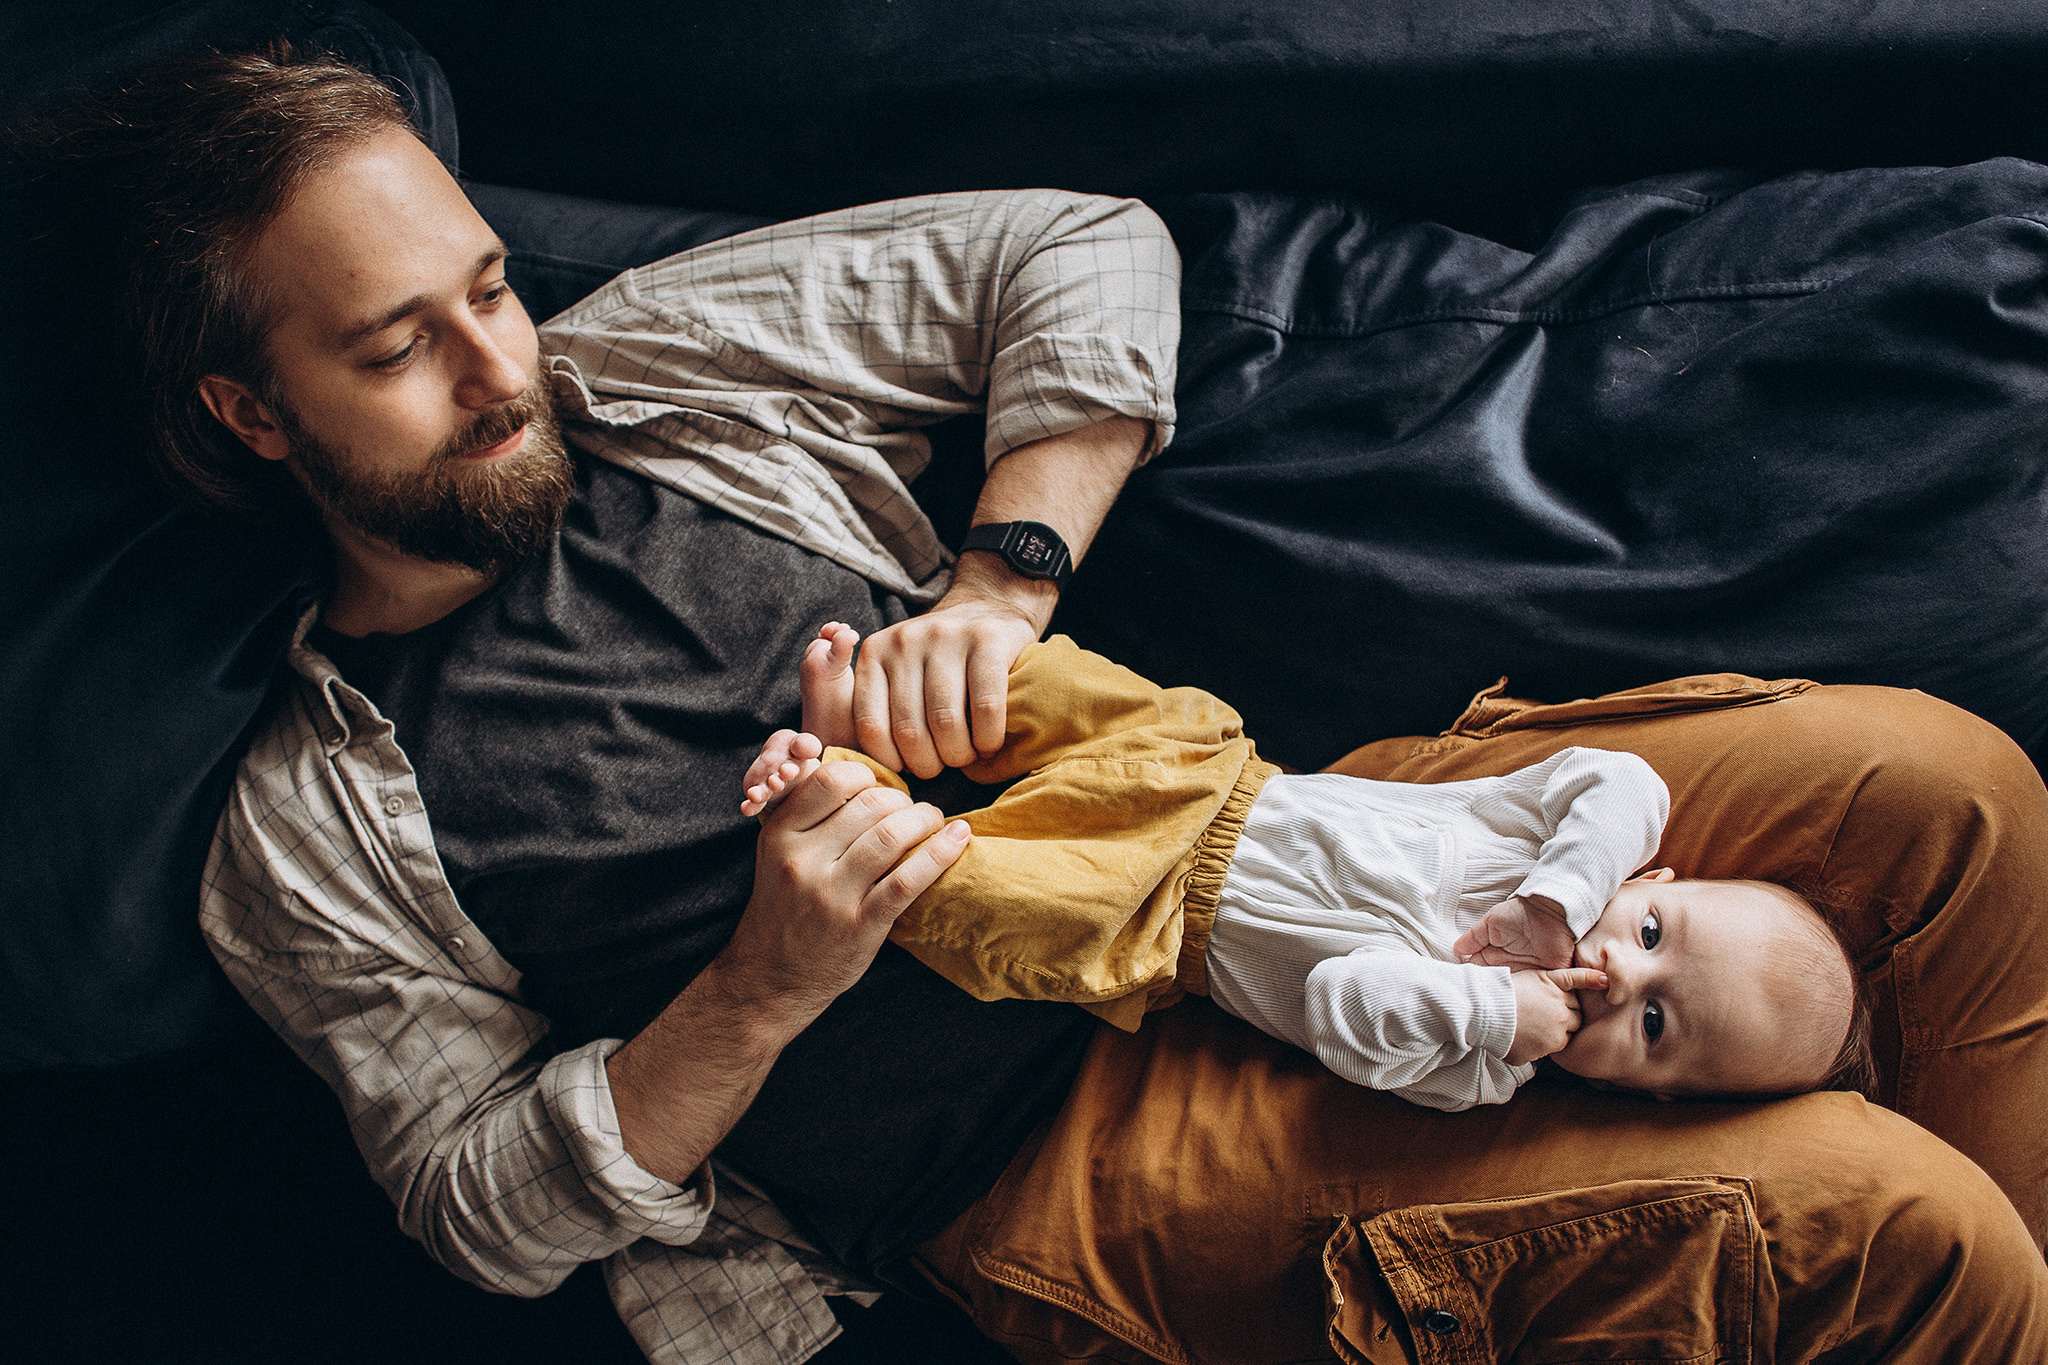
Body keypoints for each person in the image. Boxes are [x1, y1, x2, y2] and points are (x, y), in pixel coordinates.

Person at [35, 41, 2048, 1365]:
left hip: (1273, 829)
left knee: (1947, 793)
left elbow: (1074, 251)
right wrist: (763, 976)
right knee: (1888, 1228)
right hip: (1066, 1151)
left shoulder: (650, 369)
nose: (497, 367)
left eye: (484, 283)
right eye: (401, 346)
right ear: (251, 411)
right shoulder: (313, 817)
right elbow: (480, 1208)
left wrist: (999, 577)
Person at [743, 627, 1869, 1110]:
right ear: (1654, 884)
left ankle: (843, 797)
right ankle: (884, 725)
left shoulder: (1481, 1071)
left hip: (1151, 919)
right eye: (1656, 939)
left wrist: (1490, 1013)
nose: (1622, 978)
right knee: (1047, 689)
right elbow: (1623, 780)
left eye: (1656, 1030)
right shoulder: (1563, 847)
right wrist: (1554, 900)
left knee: (976, 906)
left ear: (1640, 1097)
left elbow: (1343, 1001)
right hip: (1217, 775)